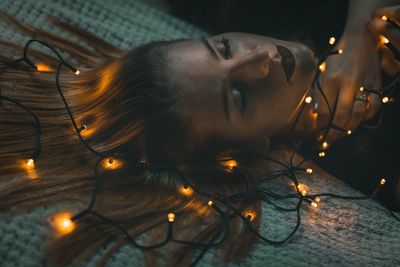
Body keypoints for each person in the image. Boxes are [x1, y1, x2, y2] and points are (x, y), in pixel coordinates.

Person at [0, 2, 399, 267]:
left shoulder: (232, 5)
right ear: (246, 149)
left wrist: (361, 30)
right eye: (238, 96)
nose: (260, 59)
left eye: (224, 49)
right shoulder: (373, 171)